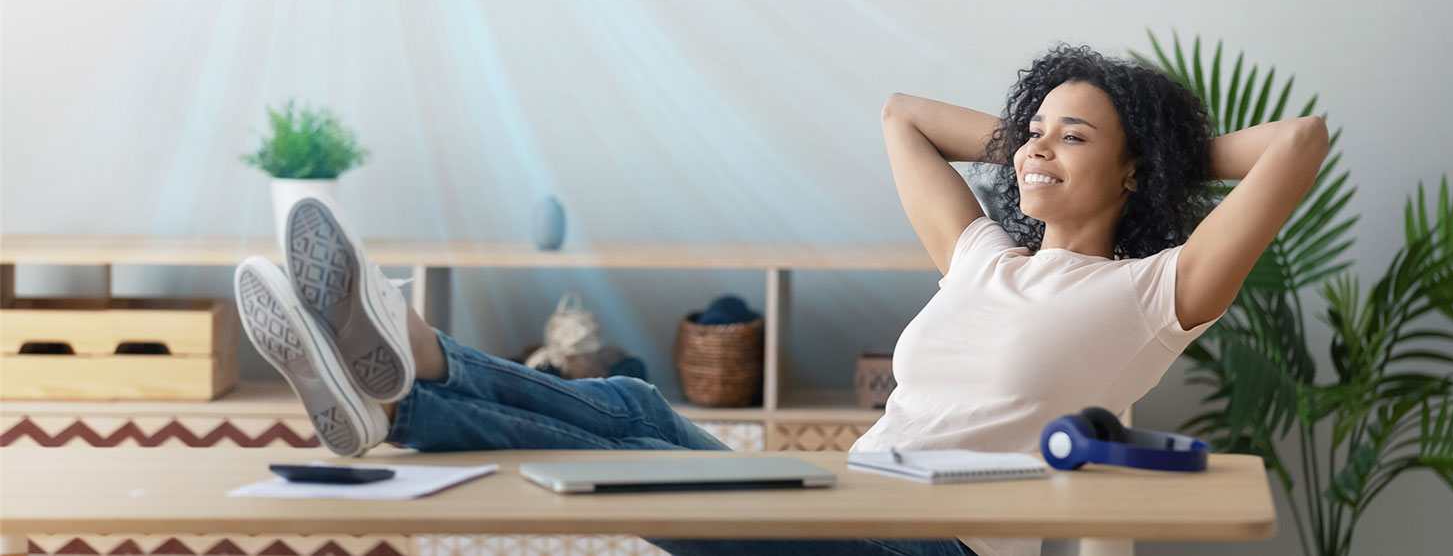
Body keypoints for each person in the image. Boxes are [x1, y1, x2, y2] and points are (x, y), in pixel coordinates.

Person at [234, 42, 1330, 556]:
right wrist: (1043, 144)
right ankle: (410, 369)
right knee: (643, 416)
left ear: (1136, 172)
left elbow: (1297, 142)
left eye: (1070, 137)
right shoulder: (984, 256)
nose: (1035, 147)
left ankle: (407, 372)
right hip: (848, 499)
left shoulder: (1150, 292)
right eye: (1028, 130)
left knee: (653, 468)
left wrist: (1154, 140)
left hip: (928, 555)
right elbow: (900, 112)